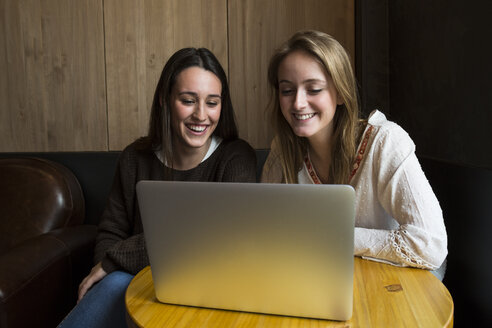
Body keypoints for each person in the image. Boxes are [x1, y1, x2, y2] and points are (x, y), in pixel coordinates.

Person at [58, 48, 257, 327]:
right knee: (113, 284)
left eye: (212, 103)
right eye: (188, 100)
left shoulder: (236, 157)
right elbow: (112, 233)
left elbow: (215, 236)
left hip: (211, 287)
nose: (201, 115)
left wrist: (115, 260)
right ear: (165, 100)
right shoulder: (134, 157)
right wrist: (110, 266)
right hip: (138, 284)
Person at [261, 30, 447, 278]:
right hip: (326, 280)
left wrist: (332, 237)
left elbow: (430, 246)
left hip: (401, 284)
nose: (297, 103)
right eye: (287, 91)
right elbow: (267, 232)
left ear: (340, 92)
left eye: (314, 89)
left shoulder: (386, 141)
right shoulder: (282, 149)